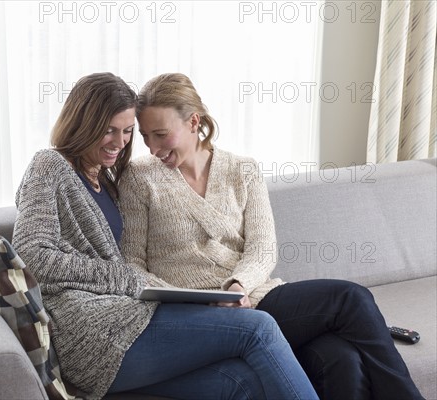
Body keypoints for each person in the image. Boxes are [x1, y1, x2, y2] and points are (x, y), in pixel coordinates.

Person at [13, 72, 320, 400]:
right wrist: (125, 277)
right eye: (108, 131)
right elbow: (31, 254)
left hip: (126, 318)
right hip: (91, 329)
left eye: (128, 132)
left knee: (241, 381)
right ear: (82, 123)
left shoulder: (108, 179)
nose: (120, 142)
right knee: (258, 328)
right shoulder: (49, 166)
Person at [118, 72, 424, 400]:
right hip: (197, 315)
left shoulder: (243, 169)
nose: (152, 148)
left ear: (194, 122)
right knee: (350, 302)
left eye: (161, 134)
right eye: (146, 136)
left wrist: (238, 285)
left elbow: (263, 247)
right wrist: (190, 298)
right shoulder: (139, 178)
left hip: (257, 296)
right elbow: (132, 264)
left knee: (342, 359)